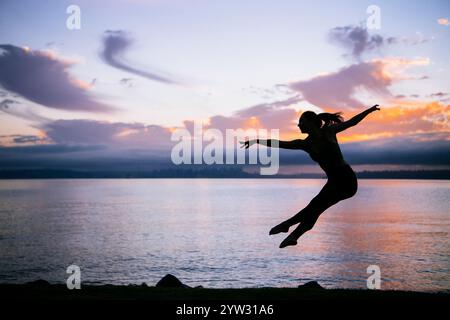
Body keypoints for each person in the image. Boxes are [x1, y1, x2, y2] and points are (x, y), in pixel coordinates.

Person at [240, 105, 381, 248]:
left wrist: (369, 111)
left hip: (346, 180)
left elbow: (352, 122)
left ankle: (287, 225)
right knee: (315, 209)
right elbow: (279, 144)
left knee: (315, 206)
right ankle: (293, 236)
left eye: (301, 121)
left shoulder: (329, 131)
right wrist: (257, 140)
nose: (298, 125)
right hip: (333, 181)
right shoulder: (305, 144)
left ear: (311, 123)